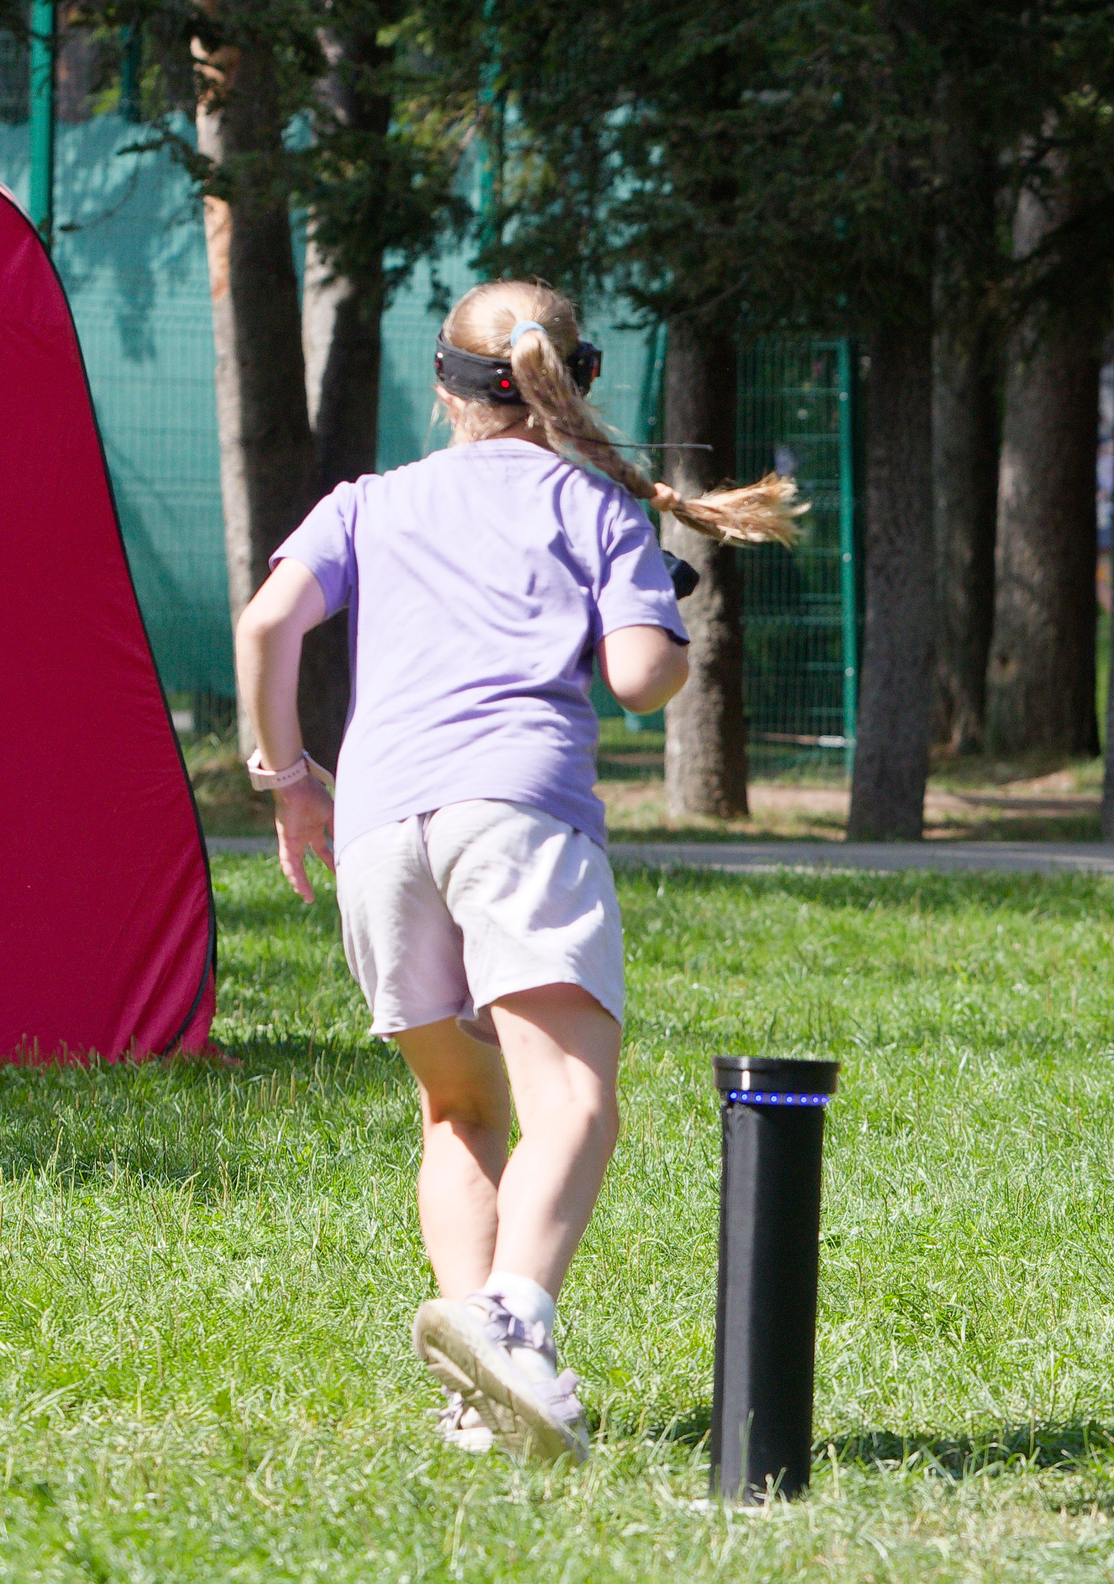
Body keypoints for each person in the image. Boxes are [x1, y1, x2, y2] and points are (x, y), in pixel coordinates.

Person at [233, 278, 801, 1461]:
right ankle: (515, 1322)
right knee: (574, 1107)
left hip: (382, 824)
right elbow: (644, 679)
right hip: (519, 819)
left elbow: (266, 625)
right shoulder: (598, 509)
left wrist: (287, 780)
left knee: (457, 1108)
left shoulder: (369, 502)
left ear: (444, 384)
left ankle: (473, 1393)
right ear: (575, 380)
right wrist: (649, 618)